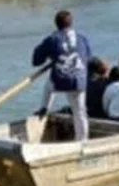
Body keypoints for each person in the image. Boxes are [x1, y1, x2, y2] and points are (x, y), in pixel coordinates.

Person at [33, 10, 92, 141]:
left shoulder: (52, 39)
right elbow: (88, 57)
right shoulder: (82, 38)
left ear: (56, 24)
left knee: (49, 86)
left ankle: (44, 108)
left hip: (61, 80)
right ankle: (82, 140)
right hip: (79, 81)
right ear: (72, 23)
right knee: (80, 111)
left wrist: (51, 56)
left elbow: (36, 60)